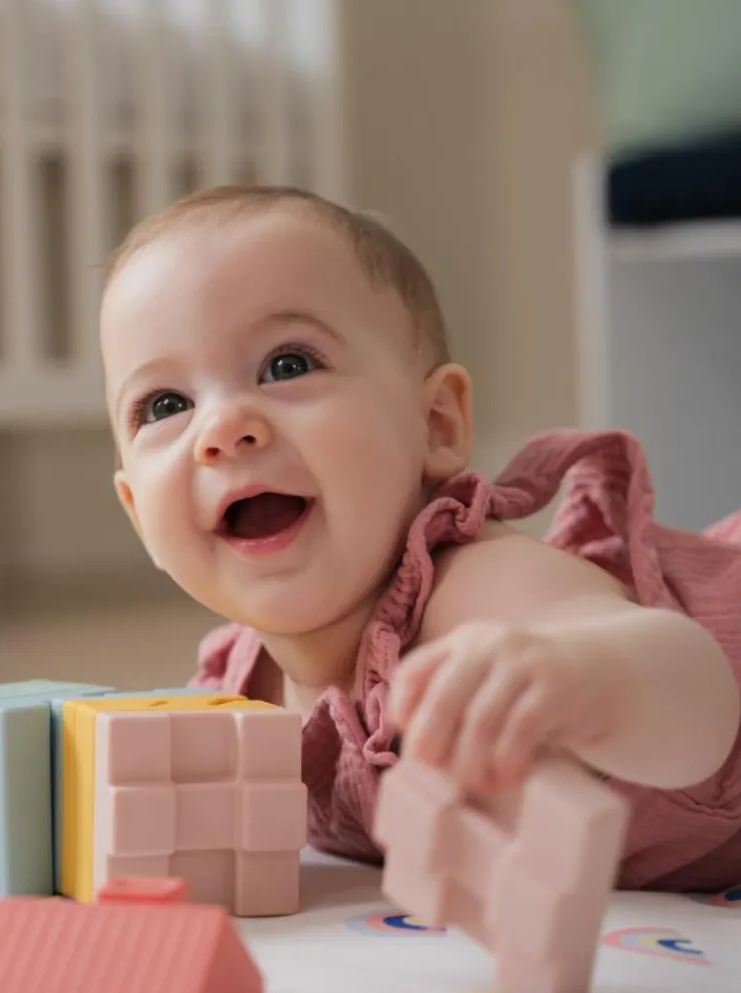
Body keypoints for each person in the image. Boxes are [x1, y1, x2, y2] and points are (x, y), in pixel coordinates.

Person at [99, 184, 741, 892]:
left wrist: (574, 675)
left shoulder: (476, 589)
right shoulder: (234, 689)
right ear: (138, 517)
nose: (222, 428)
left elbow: (697, 692)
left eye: (287, 365)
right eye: (165, 404)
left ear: (434, 423)